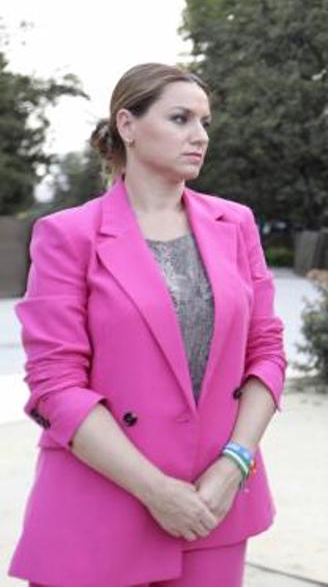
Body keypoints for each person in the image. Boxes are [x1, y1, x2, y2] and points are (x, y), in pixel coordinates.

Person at [9, 64, 286, 586]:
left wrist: (234, 464)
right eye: (181, 118)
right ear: (128, 125)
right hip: (99, 505)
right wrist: (156, 491)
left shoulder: (236, 224)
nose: (200, 136)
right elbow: (54, 385)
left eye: (205, 121)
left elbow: (266, 353)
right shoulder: (68, 235)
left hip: (211, 504)